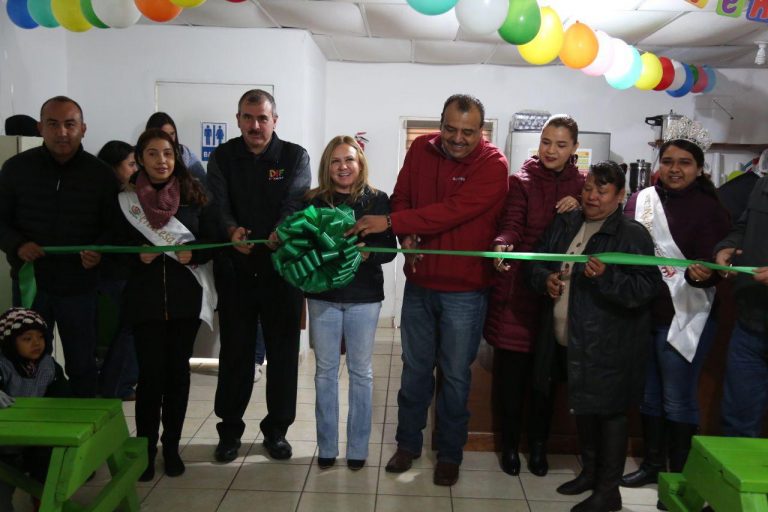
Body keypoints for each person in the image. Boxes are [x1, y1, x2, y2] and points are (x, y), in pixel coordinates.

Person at [349, 94, 508, 486]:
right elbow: (402, 195)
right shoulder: (421, 148)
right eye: (450, 129)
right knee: (414, 370)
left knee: (455, 376)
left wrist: (390, 222)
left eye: (467, 133)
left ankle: (450, 453)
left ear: (481, 132)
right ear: (440, 123)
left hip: (466, 292)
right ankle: (408, 445)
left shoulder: (493, 165)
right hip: (420, 285)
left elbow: (453, 211)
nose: (457, 139)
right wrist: (407, 234)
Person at [529, 162, 661, 512]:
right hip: (570, 340)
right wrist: (545, 279)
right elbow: (537, 262)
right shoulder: (567, 222)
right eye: (588, 187)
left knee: (611, 415)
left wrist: (606, 278)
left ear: (620, 196)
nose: (592, 196)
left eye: (602, 191)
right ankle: (589, 473)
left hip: (609, 344)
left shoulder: (631, 234)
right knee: (584, 408)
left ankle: (608, 491)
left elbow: (647, 288)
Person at [621, 119, 731, 503]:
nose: (674, 169)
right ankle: (652, 465)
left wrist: (704, 277)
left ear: (699, 168)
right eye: (668, 161)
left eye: (684, 162)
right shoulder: (641, 201)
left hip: (688, 315)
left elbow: (719, 268)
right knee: (649, 396)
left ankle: (680, 472)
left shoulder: (712, 209)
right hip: (644, 314)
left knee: (677, 398)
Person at [207, 89, 311, 463]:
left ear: (274, 121)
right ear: (237, 120)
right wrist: (231, 230)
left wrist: (281, 230)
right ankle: (229, 432)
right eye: (248, 118)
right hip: (236, 271)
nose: (255, 125)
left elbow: (296, 202)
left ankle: (277, 431)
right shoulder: (222, 156)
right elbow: (216, 203)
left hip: (283, 271)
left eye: (262, 118)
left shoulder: (294, 156)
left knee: (284, 354)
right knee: (235, 354)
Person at [114, 129, 219, 481]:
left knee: (177, 378)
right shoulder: (126, 201)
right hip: (144, 304)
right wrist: (134, 258)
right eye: (153, 154)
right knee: (150, 378)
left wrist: (195, 253)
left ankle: (172, 447)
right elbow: (110, 250)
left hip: (184, 302)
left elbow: (213, 241)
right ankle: (146, 448)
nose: (162, 161)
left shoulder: (194, 195)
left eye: (169, 154)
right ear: (140, 158)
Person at [483, 114, 586, 477]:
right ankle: (510, 447)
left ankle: (538, 447)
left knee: (546, 382)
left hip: (560, 297)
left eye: (561, 144)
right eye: (546, 142)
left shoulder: (583, 185)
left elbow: (598, 222)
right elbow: (511, 225)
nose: (551, 150)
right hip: (519, 296)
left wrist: (581, 203)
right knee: (511, 381)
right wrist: (501, 246)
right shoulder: (521, 180)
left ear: (574, 148)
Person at [0, 96, 118, 398]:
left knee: (82, 363)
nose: (62, 132)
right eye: (53, 124)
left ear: (83, 128)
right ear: (41, 128)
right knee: (25, 362)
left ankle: (83, 433)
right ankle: (30, 440)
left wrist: (99, 251)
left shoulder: (102, 175)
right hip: (31, 281)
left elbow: (115, 228)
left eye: (70, 124)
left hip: (81, 284)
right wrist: (18, 245)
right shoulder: (15, 169)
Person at [305, 136, 396, 471]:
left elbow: (391, 250)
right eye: (335, 161)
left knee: (361, 373)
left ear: (360, 164)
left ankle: (357, 449)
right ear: (327, 166)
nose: (343, 167)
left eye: (349, 160)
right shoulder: (313, 201)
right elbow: (301, 246)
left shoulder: (378, 200)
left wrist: (369, 253)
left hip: (364, 298)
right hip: (323, 297)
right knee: (325, 373)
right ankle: (326, 447)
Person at [714, 174, 768, 438]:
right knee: (737, 423)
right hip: (750, 322)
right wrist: (727, 247)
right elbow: (743, 226)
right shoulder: (763, 183)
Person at [0, 307, 69, 511]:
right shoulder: (3, 365)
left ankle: (42, 501)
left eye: (40, 337)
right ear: (10, 342)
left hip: (38, 442)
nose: (36, 343)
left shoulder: (48, 366)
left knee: (49, 467)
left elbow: (64, 399)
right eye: (27, 338)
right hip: (4, 446)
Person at [95, 141, 138, 400]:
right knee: (127, 328)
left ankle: (120, 383)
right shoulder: (111, 199)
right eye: (131, 164)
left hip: (124, 272)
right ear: (113, 168)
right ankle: (119, 385)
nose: (136, 169)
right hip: (115, 273)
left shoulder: (132, 194)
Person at [146, 112, 207, 186]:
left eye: (172, 134)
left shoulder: (184, 153)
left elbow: (202, 182)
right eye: (164, 134)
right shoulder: (142, 154)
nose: (170, 139)